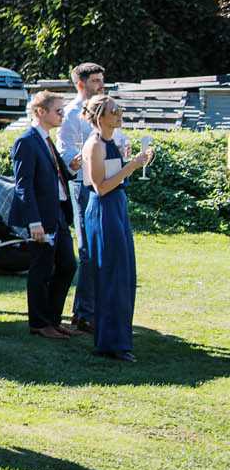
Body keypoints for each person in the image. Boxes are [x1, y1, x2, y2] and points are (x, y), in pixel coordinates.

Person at [82, 93, 152, 362]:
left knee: (124, 274)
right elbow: (100, 187)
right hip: (104, 210)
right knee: (111, 275)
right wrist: (132, 166)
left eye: (120, 109)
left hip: (117, 208)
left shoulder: (110, 142)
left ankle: (119, 339)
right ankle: (110, 343)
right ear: (100, 116)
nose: (120, 114)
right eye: (114, 111)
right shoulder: (94, 145)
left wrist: (133, 162)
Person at [11, 90, 79, 339]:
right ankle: (39, 323)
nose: (62, 115)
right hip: (41, 217)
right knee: (41, 269)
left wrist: (72, 168)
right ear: (41, 112)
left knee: (67, 265)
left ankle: (52, 319)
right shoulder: (26, 141)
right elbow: (24, 185)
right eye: (58, 111)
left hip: (58, 213)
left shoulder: (47, 139)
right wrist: (34, 221)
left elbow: (55, 175)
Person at [57, 62, 107, 332]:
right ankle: (84, 313)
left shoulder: (107, 107)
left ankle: (98, 308)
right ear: (80, 84)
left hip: (107, 183)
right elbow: (65, 151)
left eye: (101, 80)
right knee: (87, 249)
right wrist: (78, 160)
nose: (101, 85)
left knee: (104, 247)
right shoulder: (71, 113)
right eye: (96, 81)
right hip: (82, 185)